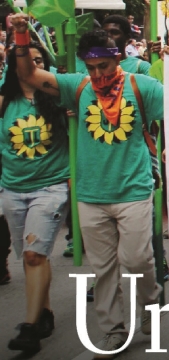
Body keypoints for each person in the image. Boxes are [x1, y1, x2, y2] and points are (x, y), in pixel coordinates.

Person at [10, 14, 164, 359]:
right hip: (91, 195)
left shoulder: (143, 87)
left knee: (138, 259)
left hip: (134, 190)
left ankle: (151, 306)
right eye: (91, 67)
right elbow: (29, 75)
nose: (97, 74)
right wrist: (21, 35)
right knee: (104, 269)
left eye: (104, 66)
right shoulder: (76, 86)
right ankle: (112, 331)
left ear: (118, 58)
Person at [1, 41, 69, 353]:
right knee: (33, 255)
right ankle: (44, 313)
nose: (33, 65)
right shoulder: (4, 101)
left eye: (39, 60)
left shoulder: (60, 99)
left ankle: (29, 328)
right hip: (12, 188)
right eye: (26, 60)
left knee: (33, 254)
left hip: (51, 187)